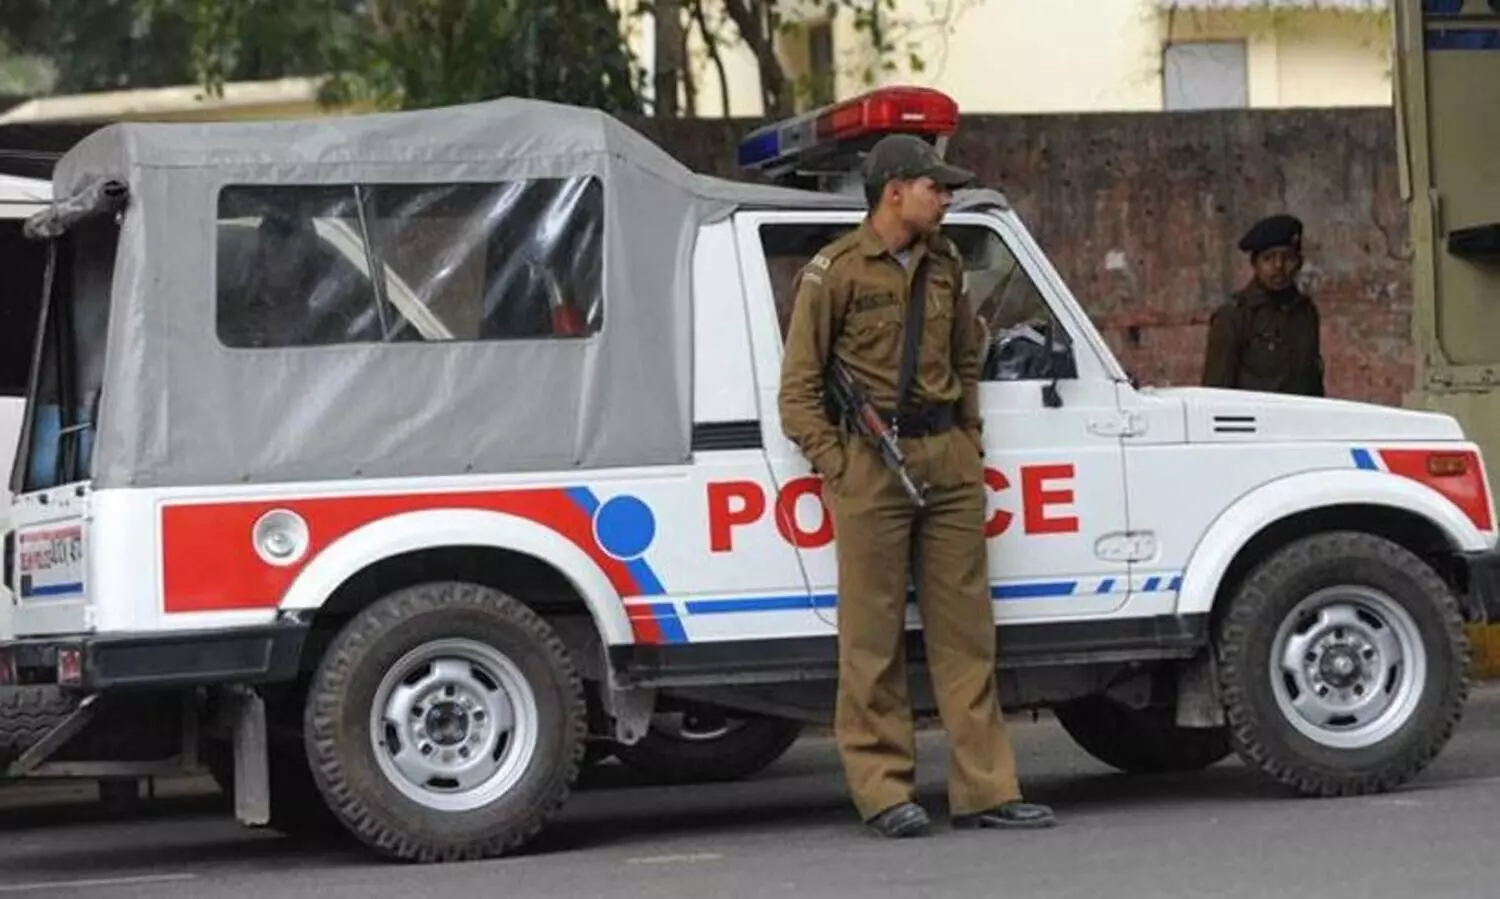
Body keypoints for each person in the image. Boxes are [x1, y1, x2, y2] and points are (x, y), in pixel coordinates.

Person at [777, 133, 1057, 839]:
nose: (947, 195)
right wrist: (840, 468)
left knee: (967, 634)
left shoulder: (948, 263)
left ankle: (986, 787)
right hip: (871, 461)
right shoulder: (834, 272)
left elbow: (967, 354)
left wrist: (969, 439)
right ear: (895, 190)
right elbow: (799, 391)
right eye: (935, 185)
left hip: (946, 458)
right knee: (871, 640)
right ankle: (883, 791)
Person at [1202, 213, 1325, 396]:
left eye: (1287, 258)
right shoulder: (1234, 315)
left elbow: (1312, 381)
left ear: (1299, 262)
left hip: (1299, 420)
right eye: (1268, 258)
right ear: (1255, 264)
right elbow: (1216, 391)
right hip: (1254, 421)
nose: (1278, 266)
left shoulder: (1305, 313)